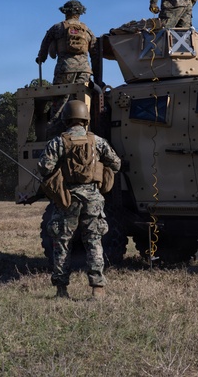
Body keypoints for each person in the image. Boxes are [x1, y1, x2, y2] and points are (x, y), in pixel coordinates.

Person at [37, 99, 122, 300]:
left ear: (66, 118)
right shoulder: (98, 141)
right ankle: (97, 289)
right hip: (93, 198)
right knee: (94, 241)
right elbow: (116, 163)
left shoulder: (58, 142)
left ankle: (61, 290)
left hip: (67, 198)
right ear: (86, 118)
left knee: (62, 243)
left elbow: (44, 168)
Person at [36, 0, 97, 84]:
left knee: (60, 96)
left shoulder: (57, 28)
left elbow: (45, 44)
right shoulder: (87, 30)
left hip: (64, 69)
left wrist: (41, 58)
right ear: (80, 12)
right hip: (84, 71)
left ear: (65, 12)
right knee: (82, 95)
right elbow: (95, 52)